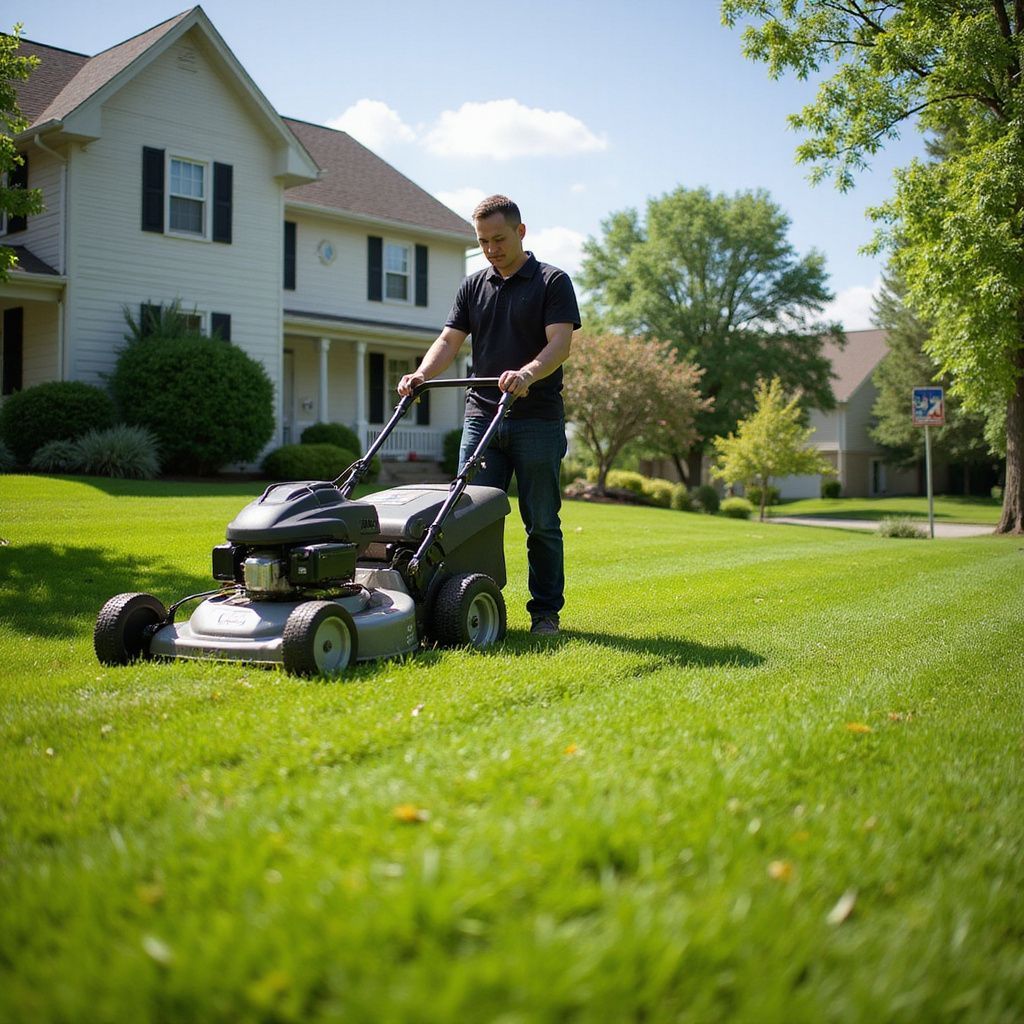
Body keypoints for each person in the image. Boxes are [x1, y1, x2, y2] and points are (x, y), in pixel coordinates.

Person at [398, 195, 580, 636]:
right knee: (465, 520)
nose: (491, 249)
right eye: (482, 242)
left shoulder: (552, 281)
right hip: (482, 417)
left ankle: (544, 614)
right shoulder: (472, 286)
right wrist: (421, 373)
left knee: (540, 521)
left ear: (520, 232)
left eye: (498, 239)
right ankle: (461, 609)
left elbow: (560, 344)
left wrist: (529, 372)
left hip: (536, 418)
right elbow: (448, 341)